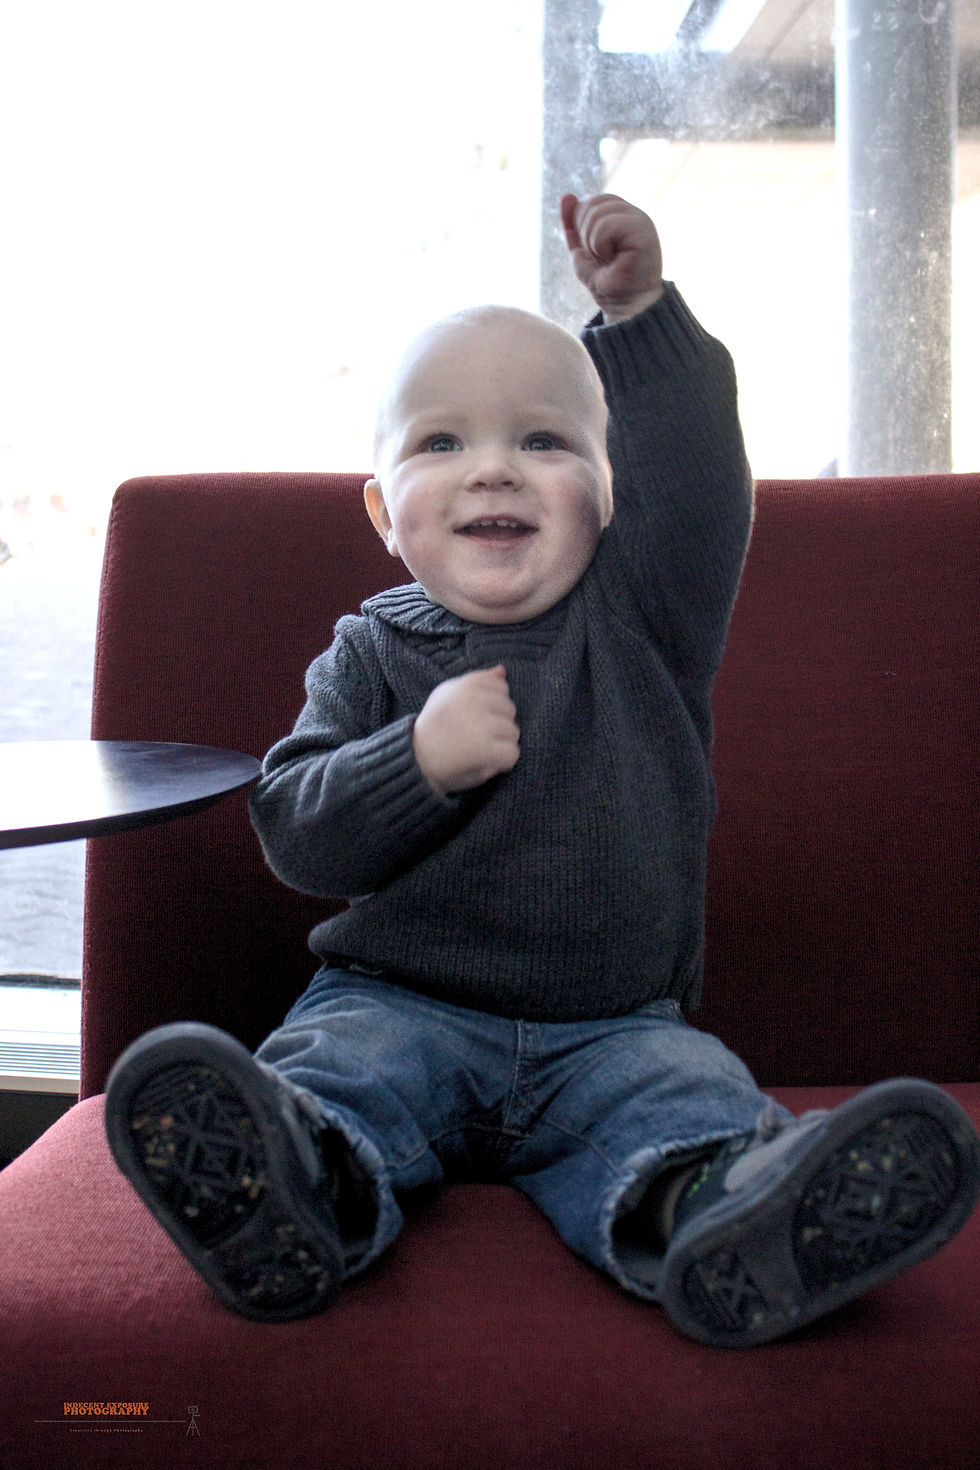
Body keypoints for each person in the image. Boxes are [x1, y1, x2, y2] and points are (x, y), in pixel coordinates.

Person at [105, 193, 980, 1348]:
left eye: (543, 440)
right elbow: (295, 830)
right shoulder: (371, 650)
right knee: (328, 1074)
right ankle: (293, 1192)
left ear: (611, 498)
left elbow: (705, 487)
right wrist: (412, 761)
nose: (493, 473)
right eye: (441, 442)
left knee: (688, 1102)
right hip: (395, 1002)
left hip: (613, 1028)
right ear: (381, 511)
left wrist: (640, 314)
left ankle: (730, 1218)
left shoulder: (644, 615)